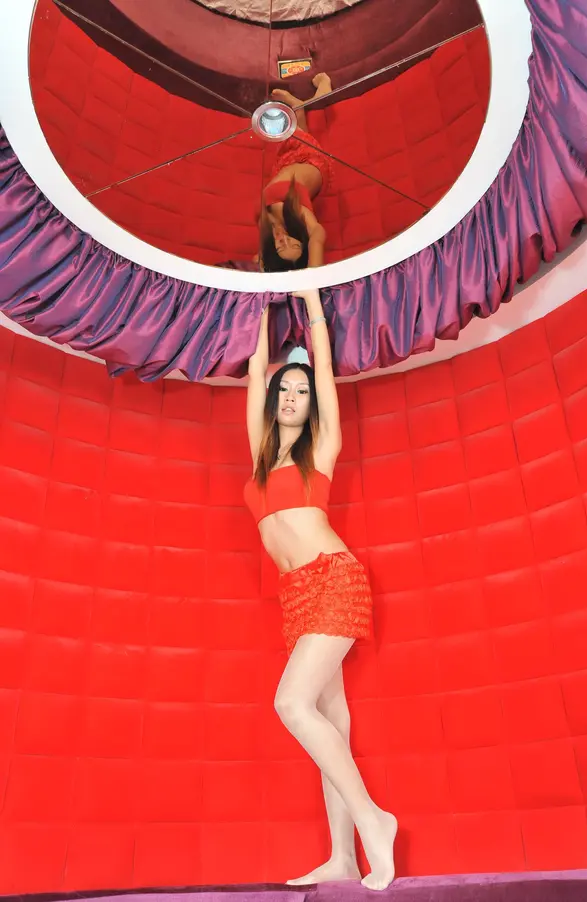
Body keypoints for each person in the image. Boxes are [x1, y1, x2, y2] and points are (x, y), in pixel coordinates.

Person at [243, 288, 397, 890]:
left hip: (334, 580)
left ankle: (374, 820)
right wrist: (258, 301)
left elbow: (324, 367)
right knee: (331, 717)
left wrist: (309, 302)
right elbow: (256, 366)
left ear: (311, 406)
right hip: (296, 597)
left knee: (291, 705)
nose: (291, 396)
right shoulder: (258, 457)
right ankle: (343, 857)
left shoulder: (323, 450)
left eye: (301, 392)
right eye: (285, 389)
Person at [259, 75, 333, 272]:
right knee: (295, 133)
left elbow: (258, 261)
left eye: (280, 247)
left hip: (285, 165)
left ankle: (298, 108)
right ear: (301, 240)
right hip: (311, 162)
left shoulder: (264, 225)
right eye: (293, 244)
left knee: (297, 135)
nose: (283, 239)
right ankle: (323, 87)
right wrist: (311, 279)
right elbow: (317, 234)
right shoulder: (295, 215)